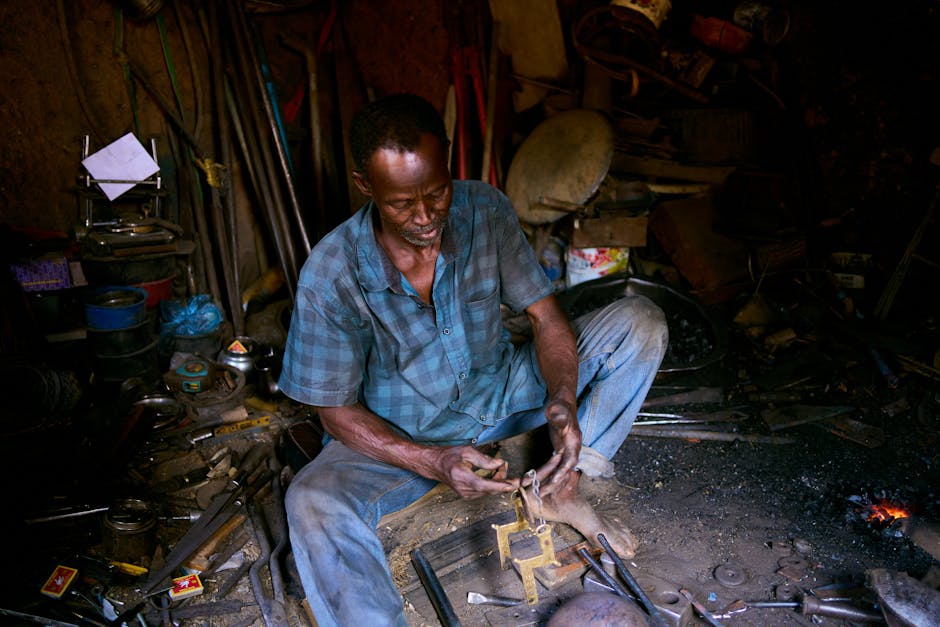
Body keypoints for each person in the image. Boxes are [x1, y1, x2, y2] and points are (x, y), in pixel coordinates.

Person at [279, 93, 667, 626]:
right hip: (407, 432)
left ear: (447, 163)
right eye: (401, 204)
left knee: (639, 321)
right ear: (365, 186)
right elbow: (334, 413)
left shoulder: (484, 209)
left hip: (501, 391)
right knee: (311, 499)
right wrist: (431, 461)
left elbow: (545, 317)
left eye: (437, 193)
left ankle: (563, 487)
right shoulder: (330, 274)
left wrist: (562, 399)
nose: (424, 217)